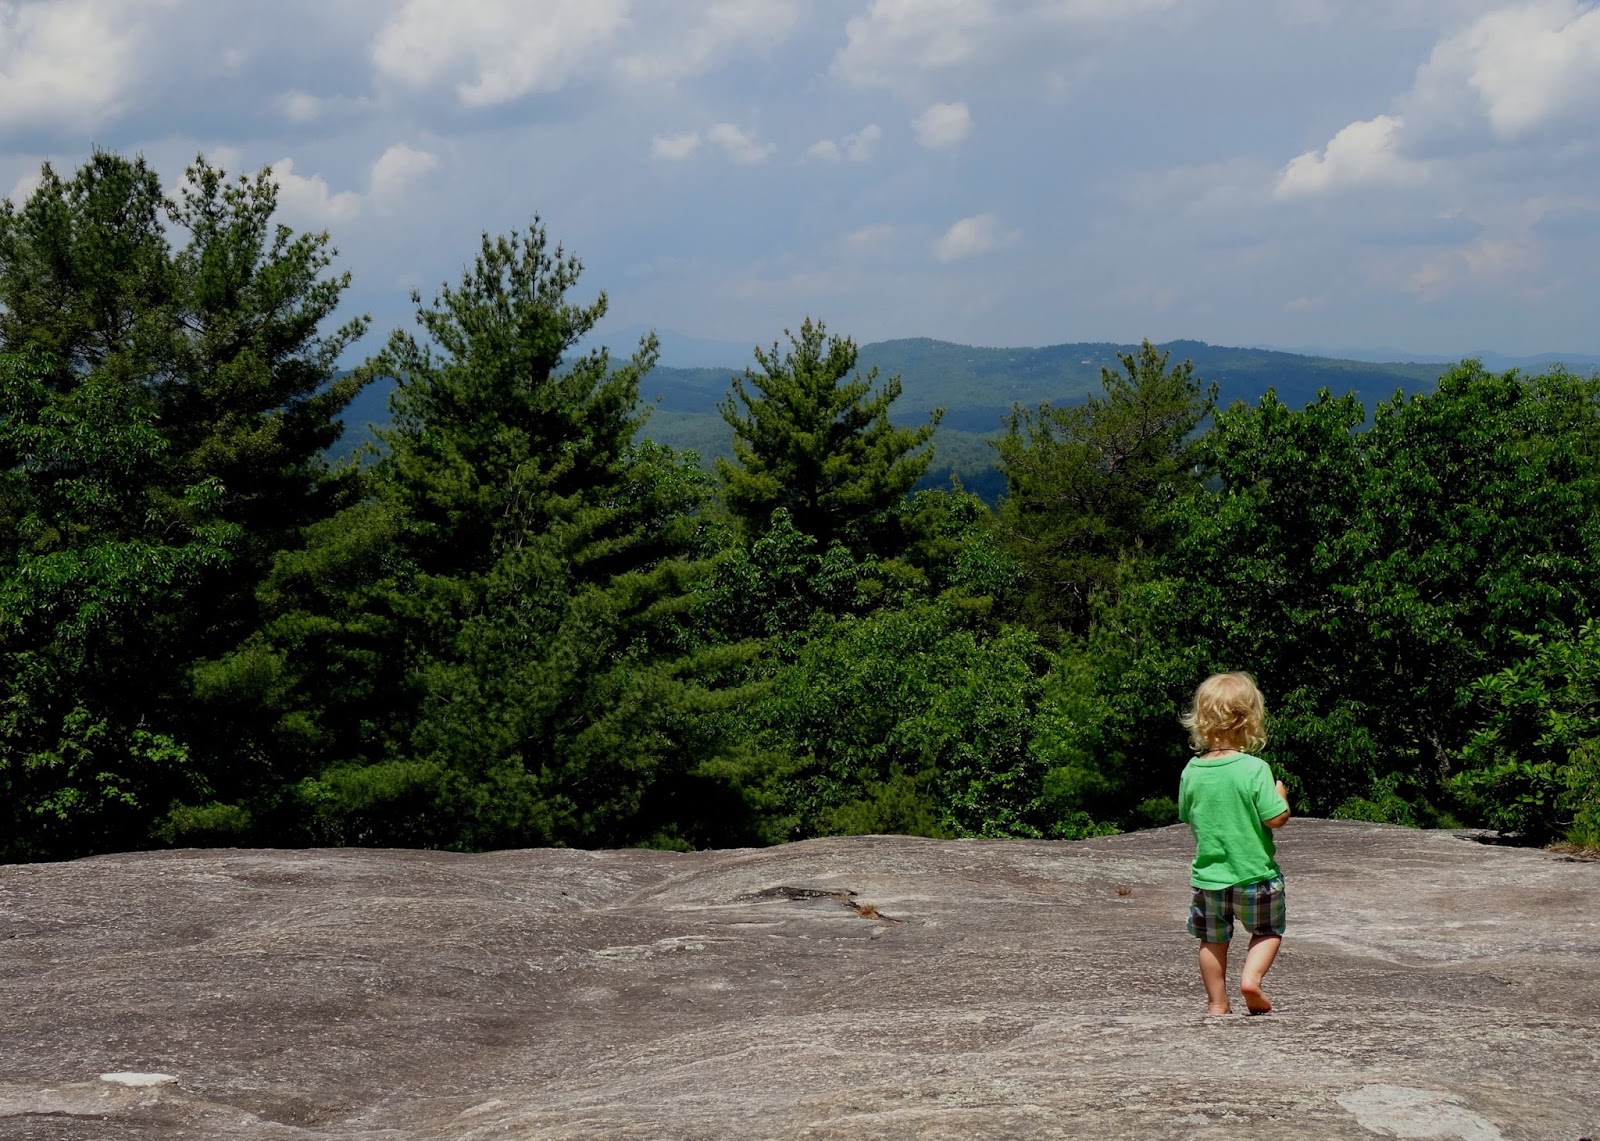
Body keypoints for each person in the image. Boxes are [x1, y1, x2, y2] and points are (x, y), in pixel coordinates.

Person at [1177, 672, 1291, 1016]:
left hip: (1210, 880)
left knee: (1212, 940)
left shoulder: (1192, 770)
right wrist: (1281, 797)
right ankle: (1251, 980)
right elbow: (1275, 818)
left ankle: (1217, 1003)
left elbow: (1188, 814)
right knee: (1267, 930)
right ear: (1249, 720)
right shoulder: (1255, 768)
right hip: (1256, 875)